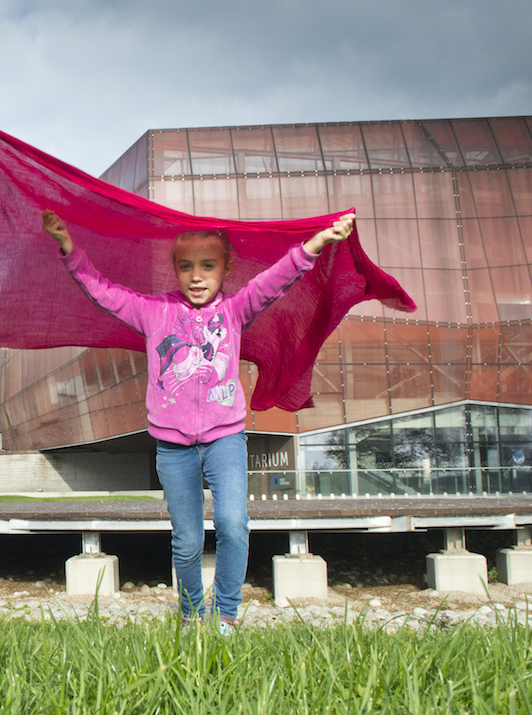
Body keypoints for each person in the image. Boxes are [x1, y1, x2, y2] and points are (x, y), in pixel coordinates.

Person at [41, 210, 354, 634]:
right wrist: (68, 248)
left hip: (225, 439)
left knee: (232, 523)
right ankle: (191, 614)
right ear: (174, 270)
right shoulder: (154, 312)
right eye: (186, 266)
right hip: (173, 448)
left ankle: (226, 614)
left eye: (208, 265)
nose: (196, 276)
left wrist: (317, 242)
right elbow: (104, 293)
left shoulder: (237, 308)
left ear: (226, 269)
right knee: (186, 540)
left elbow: (277, 279)